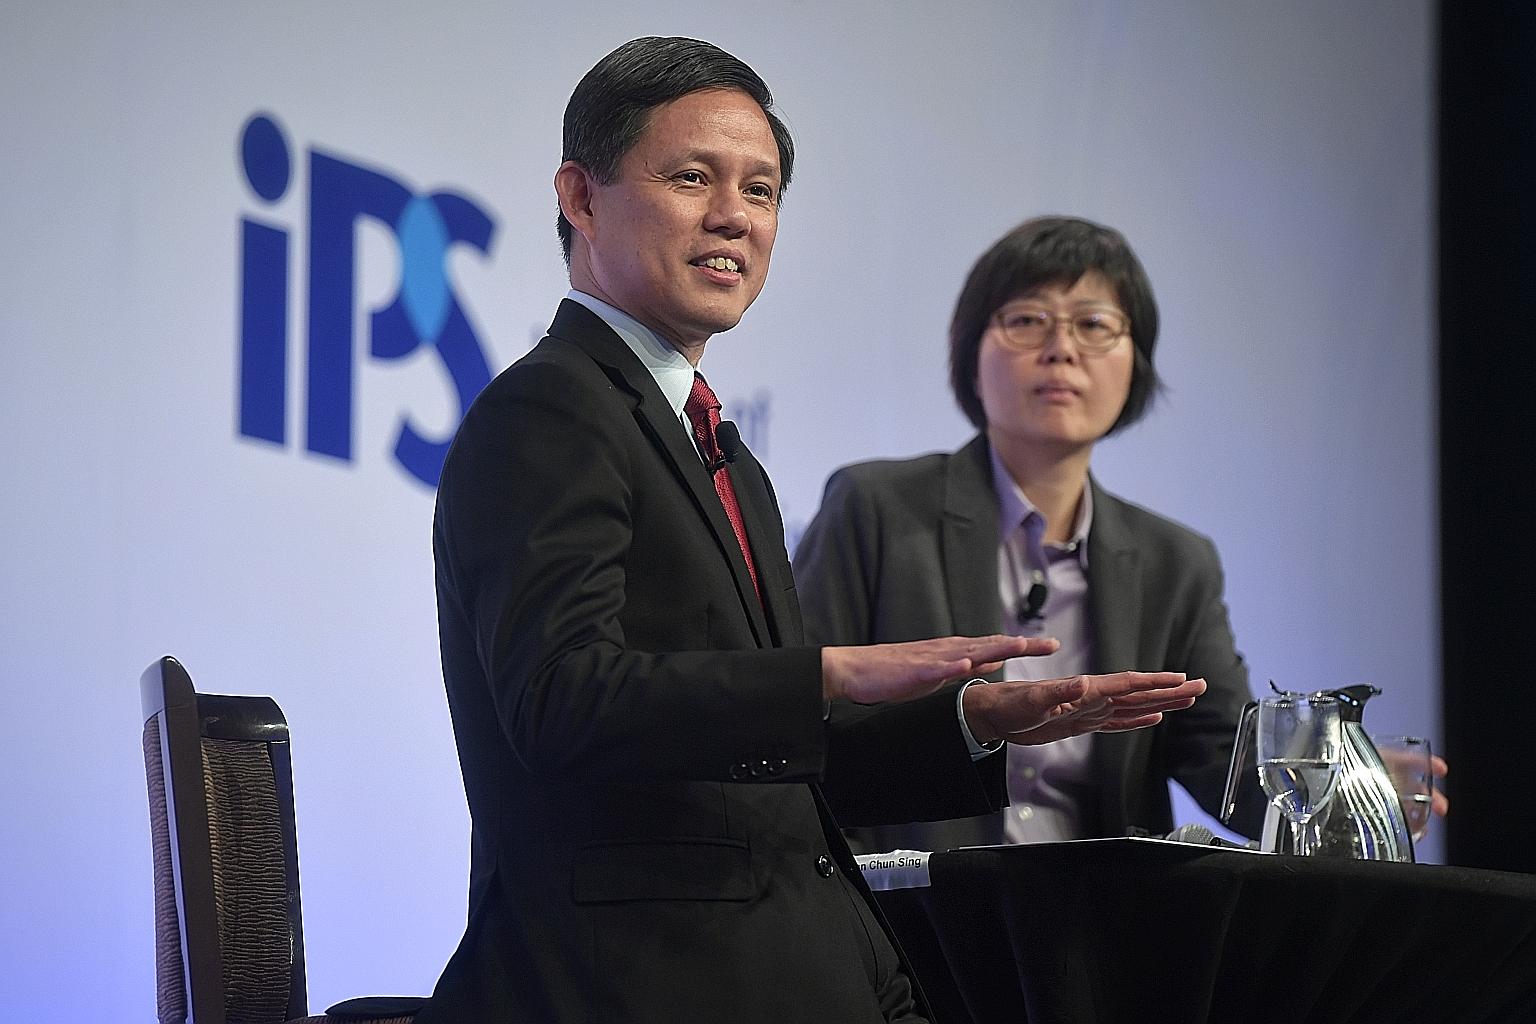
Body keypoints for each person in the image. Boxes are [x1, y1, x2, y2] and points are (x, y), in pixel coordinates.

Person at [419, 42, 1204, 1024]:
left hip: (803, 962)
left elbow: (778, 770)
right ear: (581, 195)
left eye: (761, 190)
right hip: (642, 977)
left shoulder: (721, 452)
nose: (734, 216)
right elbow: (560, 701)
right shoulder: (551, 409)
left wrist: (973, 723)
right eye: (692, 178)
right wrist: (826, 674)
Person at [795, 215, 1271, 852]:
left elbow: (1228, 765)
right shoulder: (876, 509)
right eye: (1027, 320)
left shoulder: (1176, 562)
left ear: (1136, 363)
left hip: (1099, 903)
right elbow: (801, 717)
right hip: (917, 897)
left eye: (1094, 325)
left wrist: (1356, 786)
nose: (1061, 349)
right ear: (971, 356)